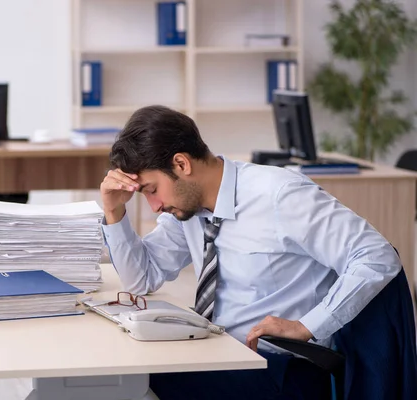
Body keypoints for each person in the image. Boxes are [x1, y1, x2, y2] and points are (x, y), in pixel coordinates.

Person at [99, 105, 402, 399]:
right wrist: (114, 211)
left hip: (284, 369)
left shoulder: (280, 196)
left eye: (152, 190)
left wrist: (308, 325)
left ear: (181, 164)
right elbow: (142, 278)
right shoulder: (188, 211)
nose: (154, 206)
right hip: (224, 353)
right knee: (128, 371)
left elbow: (376, 254)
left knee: (137, 379)